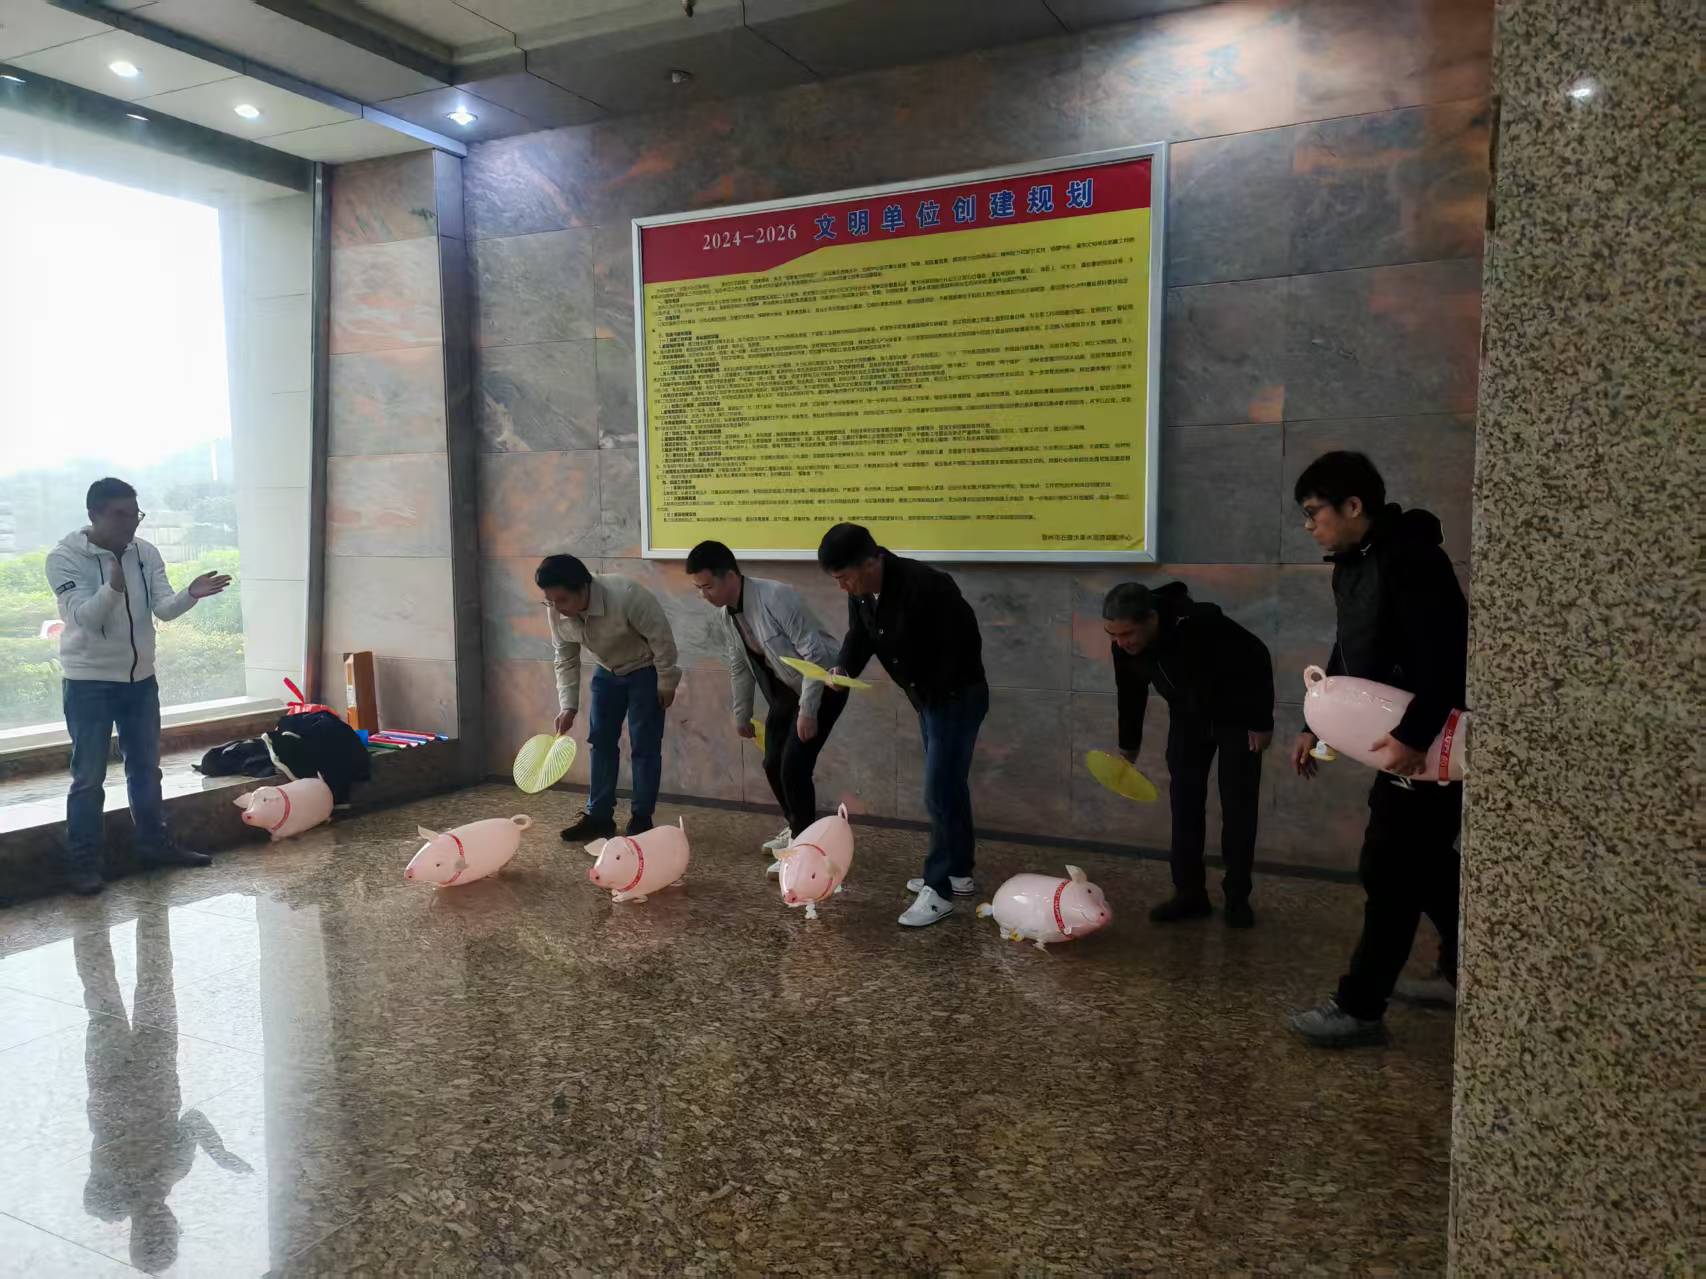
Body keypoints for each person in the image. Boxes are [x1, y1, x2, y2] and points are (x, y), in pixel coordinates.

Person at [1284, 452, 1468, 1048]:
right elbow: (1349, 649)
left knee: (1390, 869)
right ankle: (1467, 971)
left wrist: (1414, 736)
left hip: (1431, 742)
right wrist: (1316, 723)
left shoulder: (1411, 559)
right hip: (1403, 735)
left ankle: (1360, 1009)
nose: (1309, 526)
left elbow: (1447, 655)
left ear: (1353, 505)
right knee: (1426, 865)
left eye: (1315, 513)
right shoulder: (1353, 563)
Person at [46, 478, 230, 895]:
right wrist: (113, 587)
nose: (131, 523)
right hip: (89, 683)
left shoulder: (144, 552)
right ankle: (84, 866)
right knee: (88, 777)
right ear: (94, 515)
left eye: (135, 514)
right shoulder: (64, 558)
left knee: (146, 769)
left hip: (140, 682)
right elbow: (85, 618)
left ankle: (154, 846)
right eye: (120, 515)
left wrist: (191, 594)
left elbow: (163, 609)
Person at [818, 523, 987, 928]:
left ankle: (938, 890)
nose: (842, 587)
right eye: (836, 580)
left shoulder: (927, 586)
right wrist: (843, 668)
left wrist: (935, 693)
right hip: (928, 701)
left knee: (938, 789)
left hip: (955, 697)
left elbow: (964, 643)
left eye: (844, 577)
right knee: (949, 785)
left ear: (871, 561)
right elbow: (859, 635)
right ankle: (959, 871)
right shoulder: (862, 592)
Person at [1103, 581, 1274, 928]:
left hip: (1236, 718)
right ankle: (1189, 894)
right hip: (1188, 719)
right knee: (1184, 803)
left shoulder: (1201, 623)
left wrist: (1260, 722)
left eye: (1127, 634)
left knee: (1238, 806)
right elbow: (1130, 692)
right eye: (1114, 635)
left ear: (1151, 619)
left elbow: (1257, 655)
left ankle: (1237, 898)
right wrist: (1128, 746)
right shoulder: (1124, 647)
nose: (1121, 643)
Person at [685, 541, 848, 871]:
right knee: (773, 763)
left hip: (824, 685)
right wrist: (741, 714)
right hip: (787, 690)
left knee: (794, 766)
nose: (703, 595)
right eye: (698, 588)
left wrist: (809, 710)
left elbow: (814, 654)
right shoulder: (727, 615)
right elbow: (739, 665)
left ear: (730, 576)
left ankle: (803, 850)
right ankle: (797, 828)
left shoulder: (776, 596)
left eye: (708, 586)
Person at [538, 554, 681, 842]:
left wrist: (667, 681)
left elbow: (662, 639)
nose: (557, 608)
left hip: (645, 670)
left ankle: (642, 818)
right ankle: (599, 817)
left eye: (562, 599)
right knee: (600, 742)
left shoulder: (626, 595)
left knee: (644, 746)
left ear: (583, 587)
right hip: (607, 672)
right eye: (550, 601)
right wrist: (568, 706)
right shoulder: (557, 610)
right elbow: (565, 657)